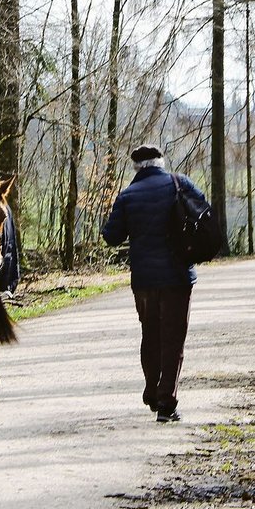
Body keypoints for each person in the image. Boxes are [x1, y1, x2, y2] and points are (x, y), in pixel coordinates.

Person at [101, 143, 205, 423]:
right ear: (161, 162)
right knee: (173, 340)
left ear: (136, 167)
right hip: (178, 277)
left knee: (150, 334)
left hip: (144, 280)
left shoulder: (128, 195)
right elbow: (203, 213)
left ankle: (151, 389)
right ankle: (166, 402)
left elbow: (111, 236)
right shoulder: (179, 183)